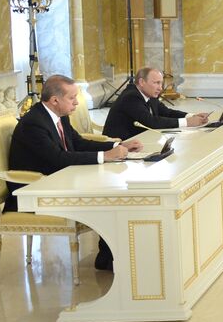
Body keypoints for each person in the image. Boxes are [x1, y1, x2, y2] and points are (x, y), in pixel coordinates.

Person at [8, 75, 143, 268]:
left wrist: (118, 145)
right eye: (72, 98)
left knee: (112, 190)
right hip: (33, 190)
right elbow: (58, 159)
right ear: (55, 100)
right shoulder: (34, 123)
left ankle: (110, 255)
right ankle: (107, 258)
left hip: (56, 179)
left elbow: (77, 143)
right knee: (106, 195)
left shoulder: (58, 116)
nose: (77, 102)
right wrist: (106, 156)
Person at [102, 67, 209, 140]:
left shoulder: (149, 93)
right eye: (156, 83)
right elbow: (151, 122)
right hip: (120, 144)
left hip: (141, 139)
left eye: (161, 83)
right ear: (142, 82)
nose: (160, 88)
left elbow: (166, 112)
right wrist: (187, 122)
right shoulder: (131, 96)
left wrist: (192, 116)